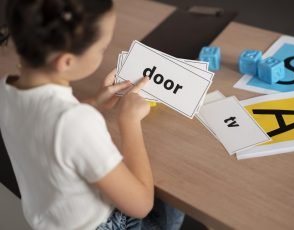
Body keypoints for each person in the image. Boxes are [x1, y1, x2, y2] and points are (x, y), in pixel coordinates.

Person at [0, 0, 184, 229]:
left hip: (53, 220)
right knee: (176, 193)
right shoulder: (76, 123)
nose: (103, 52)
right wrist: (129, 121)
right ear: (66, 61)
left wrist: (93, 103)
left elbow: (45, 123)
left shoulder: (6, 88)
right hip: (102, 225)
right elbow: (141, 205)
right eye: (102, 49)